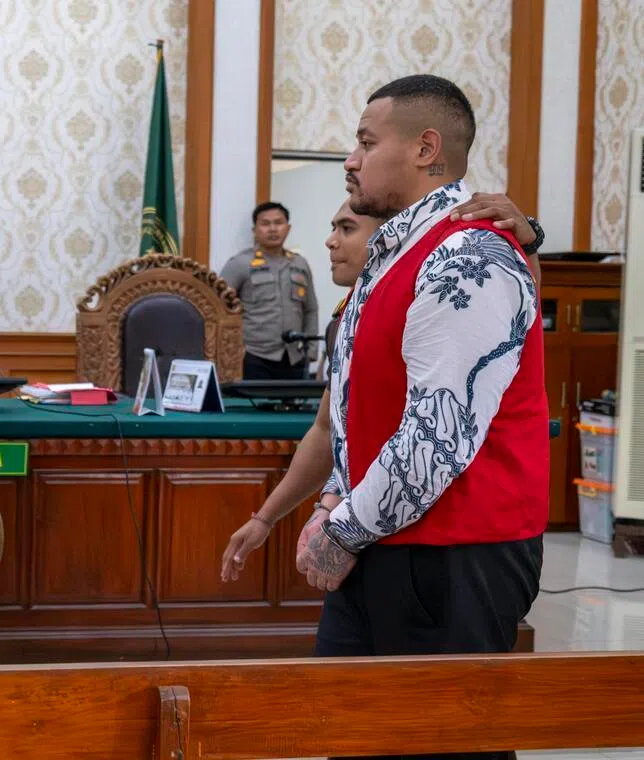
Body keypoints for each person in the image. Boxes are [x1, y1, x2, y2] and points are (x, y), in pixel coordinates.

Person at [294, 75, 548, 751]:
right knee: (351, 734)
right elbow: (357, 406)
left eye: (366, 142)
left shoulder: (468, 255)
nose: (350, 159)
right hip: (383, 539)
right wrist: (334, 498)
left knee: (441, 745)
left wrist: (342, 529)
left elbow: (436, 437)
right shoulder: (397, 251)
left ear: (425, 148)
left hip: (453, 556)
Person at [220, 192, 541, 583]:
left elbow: (436, 433)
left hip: (455, 538)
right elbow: (333, 429)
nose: (331, 241)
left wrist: (341, 527)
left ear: (388, 238)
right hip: (375, 529)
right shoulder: (350, 313)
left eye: (347, 229)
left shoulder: (438, 290)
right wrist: (300, 509)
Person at [220, 202, 318, 379]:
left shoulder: (300, 263)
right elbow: (219, 309)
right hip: (253, 357)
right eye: (265, 224)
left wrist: (311, 349)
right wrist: (230, 350)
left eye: (278, 223)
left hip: (294, 357)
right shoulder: (239, 263)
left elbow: (310, 309)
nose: (273, 229)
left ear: (288, 228)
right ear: (255, 230)